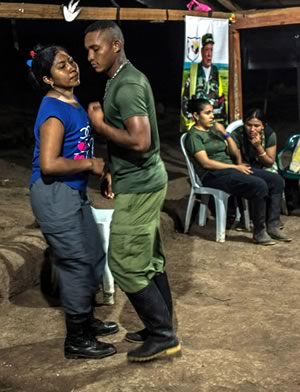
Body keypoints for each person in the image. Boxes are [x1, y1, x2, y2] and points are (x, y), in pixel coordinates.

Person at [84, 21, 181, 362]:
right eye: (87, 50)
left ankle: (163, 335)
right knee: (149, 259)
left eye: (96, 48)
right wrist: (112, 168)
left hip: (141, 187)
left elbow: (141, 141)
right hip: (139, 180)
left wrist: (100, 127)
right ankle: (162, 324)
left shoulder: (127, 85)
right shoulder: (118, 79)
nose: (90, 56)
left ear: (116, 45)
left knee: (123, 263)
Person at [28, 44, 119, 360]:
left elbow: (78, 148)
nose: (72, 67)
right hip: (53, 192)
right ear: (48, 79)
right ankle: (77, 339)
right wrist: (92, 165)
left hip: (73, 191)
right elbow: (50, 164)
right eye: (61, 66)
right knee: (77, 263)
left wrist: (102, 170)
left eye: (71, 61)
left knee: (93, 253)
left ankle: (87, 321)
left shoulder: (72, 101)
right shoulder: (53, 110)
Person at [184, 97, 292, 245]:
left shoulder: (214, 130)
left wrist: (226, 135)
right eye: (207, 113)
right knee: (259, 185)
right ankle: (259, 232)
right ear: (196, 115)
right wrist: (236, 167)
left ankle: (272, 225)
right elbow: (206, 163)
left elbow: (234, 152)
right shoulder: (193, 136)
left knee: (276, 180)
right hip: (212, 175)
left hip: (229, 170)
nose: (212, 116)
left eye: (212, 112)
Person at [231, 108, 289, 235]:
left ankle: (273, 222)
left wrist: (258, 147)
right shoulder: (237, 134)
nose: (252, 129)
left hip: (264, 164)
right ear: (244, 124)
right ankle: (248, 219)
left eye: (256, 126)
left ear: (263, 126)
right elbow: (236, 159)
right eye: (249, 125)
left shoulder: (269, 134)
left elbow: (269, 161)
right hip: (245, 166)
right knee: (255, 181)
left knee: (275, 179)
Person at [182, 33, 226, 130]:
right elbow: (185, 98)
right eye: (206, 50)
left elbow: (221, 98)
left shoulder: (216, 71)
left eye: (211, 50)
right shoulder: (194, 70)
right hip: (197, 124)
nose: (209, 54)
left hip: (213, 123)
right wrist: (191, 117)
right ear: (201, 51)